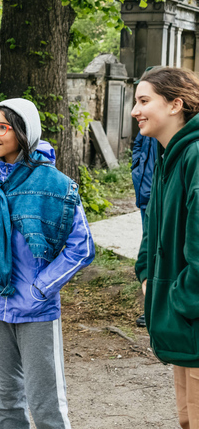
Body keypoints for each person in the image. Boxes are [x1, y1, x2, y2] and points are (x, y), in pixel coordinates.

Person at [0, 98, 95, 429]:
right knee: (7, 398)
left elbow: (82, 246)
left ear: (23, 133)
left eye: (2, 127)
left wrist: (41, 287)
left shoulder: (53, 185)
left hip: (35, 309)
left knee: (45, 403)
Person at [132, 67, 199, 429]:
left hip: (191, 320)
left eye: (144, 101)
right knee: (188, 421)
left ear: (176, 104)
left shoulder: (196, 156)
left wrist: (179, 300)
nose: (134, 111)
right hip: (183, 327)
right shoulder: (167, 156)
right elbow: (152, 233)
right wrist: (146, 274)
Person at [130, 130, 158, 327]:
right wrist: (137, 167)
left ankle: (156, 309)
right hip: (146, 194)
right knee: (149, 251)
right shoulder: (148, 126)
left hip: (160, 197)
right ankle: (151, 307)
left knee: (160, 252)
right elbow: (139, 146)